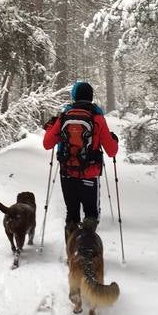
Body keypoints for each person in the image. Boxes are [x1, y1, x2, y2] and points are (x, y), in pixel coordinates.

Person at [43, 81, 119, 245]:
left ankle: (72, 255)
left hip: (67, 173)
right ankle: (88, 252)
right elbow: (112, 151)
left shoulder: (64, 116)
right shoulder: (97, 118)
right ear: (91, 97)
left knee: (72, 214)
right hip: (90, 176)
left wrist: (50, 127)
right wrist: (114, 140)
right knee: (91, 215)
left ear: (74, 96)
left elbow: (47, 143)